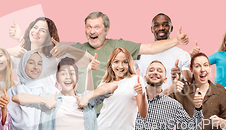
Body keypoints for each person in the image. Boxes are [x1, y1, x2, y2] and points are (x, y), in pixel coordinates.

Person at [51, 11, 190, 94]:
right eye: (88, 27)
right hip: (85, 112)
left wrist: (176, 40)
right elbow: (46, 60)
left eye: (96, 27)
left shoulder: (120, 45)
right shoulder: (77, 49)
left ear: (106, 29)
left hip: (114, 113)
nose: (92, 31)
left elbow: (150, 48)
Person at [77, 47, 148, 130]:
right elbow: (90, 99)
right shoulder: (106, 83)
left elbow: (143, 114)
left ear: (129, 64)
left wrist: (143, 94)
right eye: (116, 61)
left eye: (125, 62)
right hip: (101, 129)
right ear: (111, 64)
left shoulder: (136, 80)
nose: (120, 66)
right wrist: (89, 71)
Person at [164, 53, 226, 130]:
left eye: (206, 65)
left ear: (210, 68)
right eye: (197, 66)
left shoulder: (219, 91)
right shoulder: (182, 91)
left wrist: (221, 122)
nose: (202, 69)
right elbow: (155, 103)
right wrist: (170, 89)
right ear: (191, 70)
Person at [135, 60, 203, 130]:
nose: (155, 72)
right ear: (145, 78)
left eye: (159, 71)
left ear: (165, 80)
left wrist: (198, 108)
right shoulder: (132, 100)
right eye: (151, 70)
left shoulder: (174, 106)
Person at [4, 51, 59, 130]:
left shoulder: (51, 91)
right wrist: (44, 100)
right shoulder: (12, 91)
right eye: (31, 63)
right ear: (23, 65)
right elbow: (4, 123)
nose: (36, 67)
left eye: (39, 64)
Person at [135, 13, 192, 91]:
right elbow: (126, 76)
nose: (161, 28)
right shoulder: (140, 54)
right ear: (151, 29)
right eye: (156, 25)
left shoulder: (182, 55)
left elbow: (190, 83)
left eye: (165, 25)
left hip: (173, 101)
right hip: (147, 102)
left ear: (171, 28)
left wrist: (180, 76)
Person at [7, 17, 70, 87]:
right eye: (35, 27)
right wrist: (8, 51)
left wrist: (20, 38)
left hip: (48, 97)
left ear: (49, 37)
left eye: (42, 31)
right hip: (24, 97)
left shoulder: (54, 58)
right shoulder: (20, 55)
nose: (36, 32)